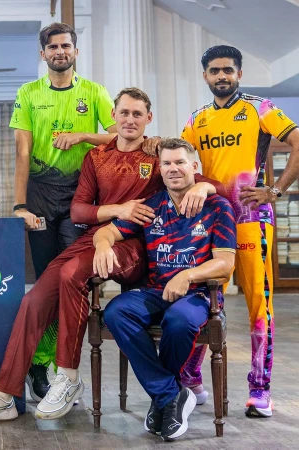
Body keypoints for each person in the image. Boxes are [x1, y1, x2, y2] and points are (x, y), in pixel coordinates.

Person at [0, 88, 224, 425]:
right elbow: (79, 211)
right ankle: (4, 394)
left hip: (137, 244)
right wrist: (118, 209)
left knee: (72, 273)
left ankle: (68, 376)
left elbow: (216, 187)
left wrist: (203, 186)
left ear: (148, 118)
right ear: (113, 116)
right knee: (34, 299)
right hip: (98, 237)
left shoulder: (156, 155)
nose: (130, 120)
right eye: (124, 113)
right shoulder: (96, 157)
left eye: (137, 114)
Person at [181, 45, 299, 417]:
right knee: (204, 300)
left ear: (239, 74)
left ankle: (260, 390)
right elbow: (181, 160)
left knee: (258, 306)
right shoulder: (197, 119)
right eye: (215, 70)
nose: (222, 76)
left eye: (228, 70)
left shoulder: (259, 109)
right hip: (213, 221)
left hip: (251, 218)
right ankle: (190, 377)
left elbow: (297, 141)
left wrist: (275, 190)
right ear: (205, 75)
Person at [96, 137, 236, 441]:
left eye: (180, 162)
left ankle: (164, 398)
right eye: (167, 163)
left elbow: (226, 264)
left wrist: (187, 275)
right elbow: (107, 231)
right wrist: (103, 246)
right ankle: (171, 394)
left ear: (194, 166)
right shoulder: (151, 206)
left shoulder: (218, 207)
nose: (173, 168)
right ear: (160, 169)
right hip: (156, 291)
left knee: (179, 320)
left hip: (200, 295)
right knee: (116, 313)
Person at [10, 22, 119, 400]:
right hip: (40, 195)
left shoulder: (94, 92)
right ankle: (40, 365)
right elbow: (22, 152)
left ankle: (59, 367)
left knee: (71, 282)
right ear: (43, 54)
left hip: (80, 196)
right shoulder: (28, 93)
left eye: (66, 46)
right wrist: (20, 204)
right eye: (53, 47)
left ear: (75, 51)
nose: (60, 51)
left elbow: (118, 136)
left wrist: (83, 136)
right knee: (46, 281)